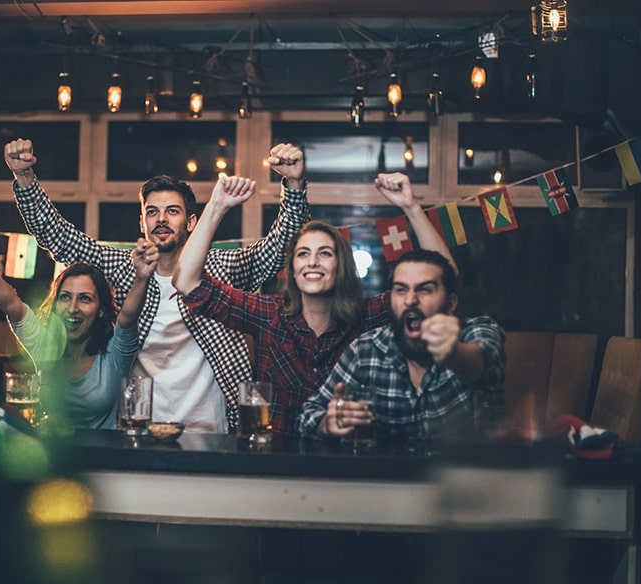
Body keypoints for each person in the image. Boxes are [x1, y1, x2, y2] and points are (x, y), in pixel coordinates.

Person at [5, 139, 310, 432]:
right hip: (139, 430)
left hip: (214, 430)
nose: (161, 219)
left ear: (192, 222)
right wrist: (24, 176)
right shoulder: (126, 269)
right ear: (142, 223)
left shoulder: (222, 268)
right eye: (152, 212)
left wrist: (294, 186)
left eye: (172, 211)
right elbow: (59, 238)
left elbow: (280, 249)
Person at [173, 172, 458, 438]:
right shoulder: (269, 312)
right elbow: (187, 282)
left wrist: (411, 207)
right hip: (274, 463)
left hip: (345, 464)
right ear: (293, 269)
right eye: (303, 254)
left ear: (341, 266)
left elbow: (443, 282)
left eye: (325, 254)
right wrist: (217, 206)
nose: (312, 262)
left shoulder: (365, 316)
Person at [298, 247, 505, 440]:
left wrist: (453, 354)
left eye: (425, 290)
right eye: (401, 290)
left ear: (451, 303)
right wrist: (327, 423)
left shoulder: (476, 331)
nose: (410, 300)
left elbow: (481, 361)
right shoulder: (367, 350)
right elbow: (307, 414)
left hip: (468, 476)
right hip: (387, 477)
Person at [0, 233, 159, 429]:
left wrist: (141, 276)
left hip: (106, 457)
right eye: (65, 297)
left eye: (85, 298)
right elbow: (11, 304)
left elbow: (127, 318)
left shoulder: (115, 354)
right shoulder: (44, 345)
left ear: (101, 310)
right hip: (54, 458)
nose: (72, 308)